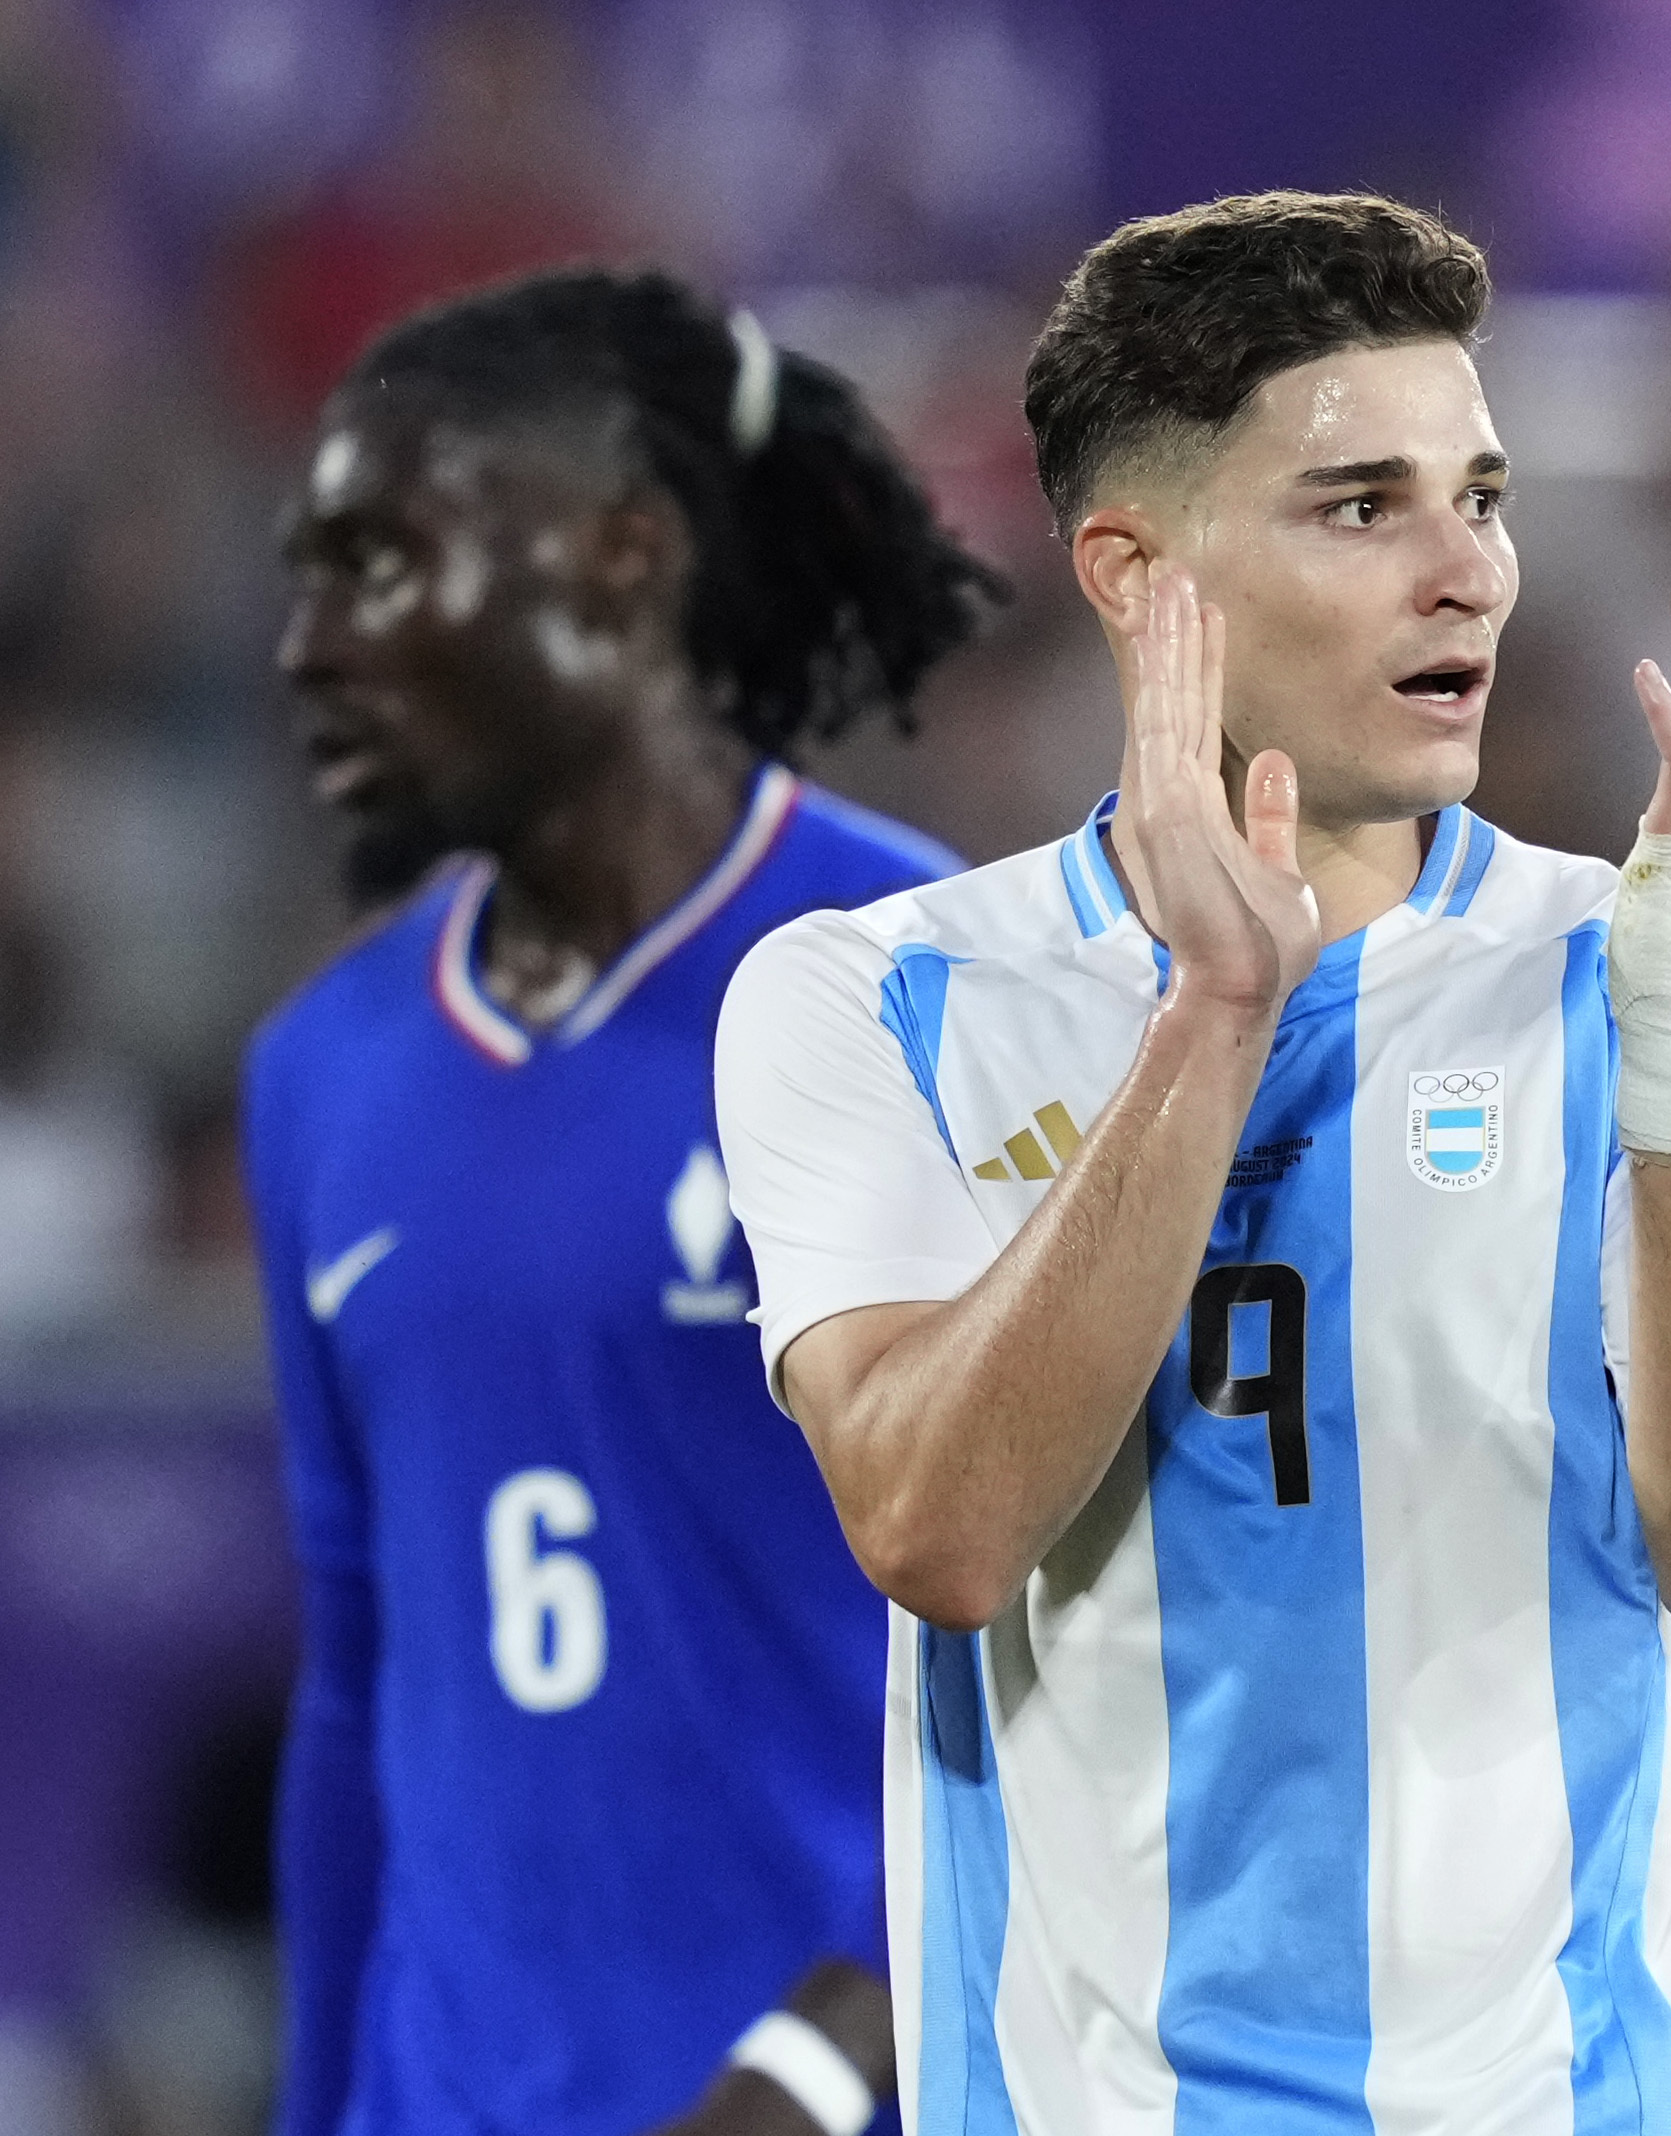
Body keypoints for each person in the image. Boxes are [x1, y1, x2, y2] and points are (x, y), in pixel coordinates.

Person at [713, 190, 1671, 2133]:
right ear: (1133, 572)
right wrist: (1210, 1026)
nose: (1471, 576)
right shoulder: (880, 999)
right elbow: (939, 1529)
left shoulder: (1664, 971)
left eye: (1483, 498)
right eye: (1366, 508)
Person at [246, 265, 1007, 2136]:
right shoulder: (319, 1071)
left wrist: (819, 2065)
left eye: (377, 562)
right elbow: (360, 1685)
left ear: (618, 559)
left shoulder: (925, 979)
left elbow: (1099, 1640)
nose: (308, 643)